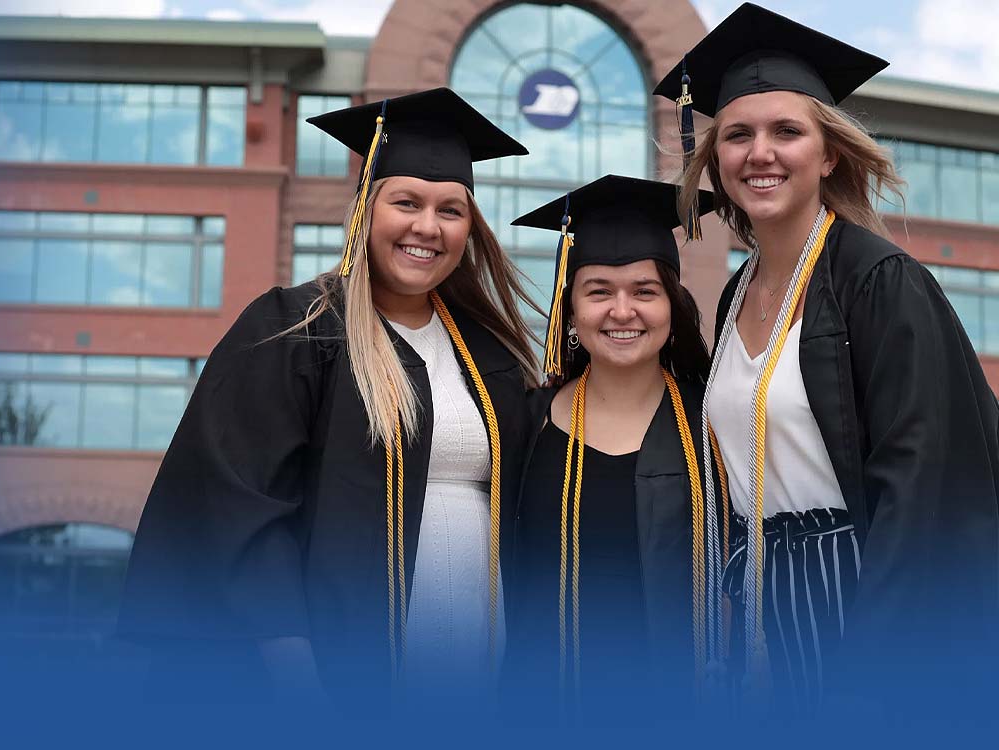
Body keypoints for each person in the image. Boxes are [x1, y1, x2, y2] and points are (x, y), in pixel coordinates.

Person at [118, 88, 540, 712]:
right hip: (335, 682)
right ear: (366, 212)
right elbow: (245, 511)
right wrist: (300, 684)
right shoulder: (298, 330)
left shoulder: (492, 358)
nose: (428, 226)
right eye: (406, 202)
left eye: (451, 210)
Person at [660, 2, 999, 716]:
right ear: (715, 158)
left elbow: (921, 485)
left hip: (856, 598)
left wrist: (874, 661)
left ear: (830, 152)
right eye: (738, 135)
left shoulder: (877, 280)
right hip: (758, 600)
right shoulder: (735, 296)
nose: (761, 153)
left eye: (788, 131)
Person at [500, 175, 719, 722]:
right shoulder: (525, 423)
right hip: (542, 708)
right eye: (598, 291)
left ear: (672, 308)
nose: (623, 311)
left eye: (645, 291)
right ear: (571, 313)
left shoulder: (716, 422)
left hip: (683, 710)